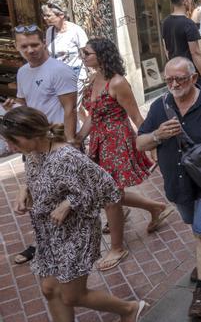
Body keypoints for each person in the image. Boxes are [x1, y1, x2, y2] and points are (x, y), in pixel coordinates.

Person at [5, 106, 148, 321]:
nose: (11, 147)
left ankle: (129, 309)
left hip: (76, 233)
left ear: (32, 133)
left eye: (14, 141)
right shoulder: (34, 153)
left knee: (72, 296)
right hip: (49, 234)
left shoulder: (67, 156)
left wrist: (69, 203)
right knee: (49, 288)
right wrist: (24, 189)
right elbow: (41, 178)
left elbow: (108, 188)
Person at [136, 57, 201, 318]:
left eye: (180, 79)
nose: (174, 84)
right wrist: (158, 135)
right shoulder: (160, 107)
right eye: (169, 79)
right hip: (176, 184)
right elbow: (140, 143)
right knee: (193, 224)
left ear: (193, 78)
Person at [77, 38, 173, 271]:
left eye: (87, 53)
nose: (83, 56)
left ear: (101, 55)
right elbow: (93, 115)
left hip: (118, 143)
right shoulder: (93, 78)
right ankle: (155, 207)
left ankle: (117, 248)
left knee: (109, 195)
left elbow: (137, 117)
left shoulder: (118, 82)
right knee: (109, 193)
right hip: (100, 142)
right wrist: (78, 138)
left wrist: (152, 144)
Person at [5, 25, 79, 266]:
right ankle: (43, 242)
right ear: (17, 47)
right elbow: (23, 105)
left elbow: (70, 108)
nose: (30, 50)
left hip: (56, 143)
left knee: (68, 194)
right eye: (24, 46)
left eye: (34, 44)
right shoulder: (23, 72)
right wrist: (12, 108)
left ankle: (67, 243)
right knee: (38, 195)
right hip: (32, 144)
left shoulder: (59, 70)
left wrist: (69, 143)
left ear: (44, 43)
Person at [162, 0, 201, 91]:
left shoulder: (165, 22)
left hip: (175, 71)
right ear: (185, 1)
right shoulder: (188, 24)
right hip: (189, 73)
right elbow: (195, 53)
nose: (191, 1)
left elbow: (166, 49)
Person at [41, 0, 89, 100]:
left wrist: (92, 73)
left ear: (61, 15)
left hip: (75, 74)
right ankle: (85, 115)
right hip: (57, 75)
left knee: (71, 106)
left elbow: (86, 53)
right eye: (44, 15)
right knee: (69, 106)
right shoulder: (50, 31)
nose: (45, 18)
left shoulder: (76, 31)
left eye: (48, 15)